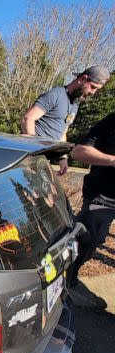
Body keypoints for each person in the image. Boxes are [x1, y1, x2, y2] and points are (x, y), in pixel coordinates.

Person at [21, 66, 110, 176]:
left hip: (43, 160)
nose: (93, 92)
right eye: (92, 87)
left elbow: (62, 132)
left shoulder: (74, 105)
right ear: (82, 79)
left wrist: (62, 158)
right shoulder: (55, 95)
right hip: (29, 158)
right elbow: (28, 118)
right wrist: (33, 152)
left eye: (96, 89)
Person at [68, 110, 115, 308]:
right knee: (87, 240)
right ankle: (67, 283)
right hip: (103, 195)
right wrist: (113, 161)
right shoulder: (111, 122)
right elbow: (78, 152)